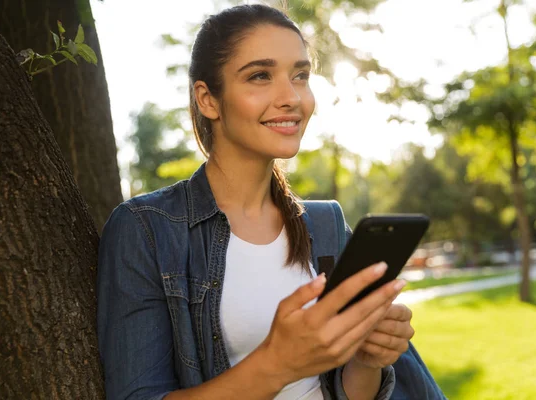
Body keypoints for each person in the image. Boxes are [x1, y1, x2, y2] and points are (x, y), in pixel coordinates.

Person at [97, 4, 445, 400]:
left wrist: (367, 358)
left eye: (300, 75)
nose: (291, 97)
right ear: (208, 99)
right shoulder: (146, 229)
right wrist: (278, 363)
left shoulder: (326, 225)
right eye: (260, 76)